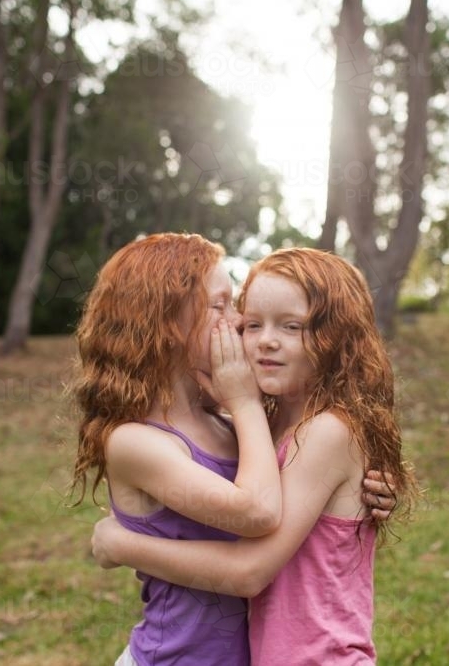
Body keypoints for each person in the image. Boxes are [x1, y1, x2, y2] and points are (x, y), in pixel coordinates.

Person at [72, 235, 397, 666]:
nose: (241, 322)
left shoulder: (251, 424)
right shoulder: (198, 430)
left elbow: (259, 542)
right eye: (222, 305)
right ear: (166, 321)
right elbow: (242, 509)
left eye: (291, 325)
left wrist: (123, 544)